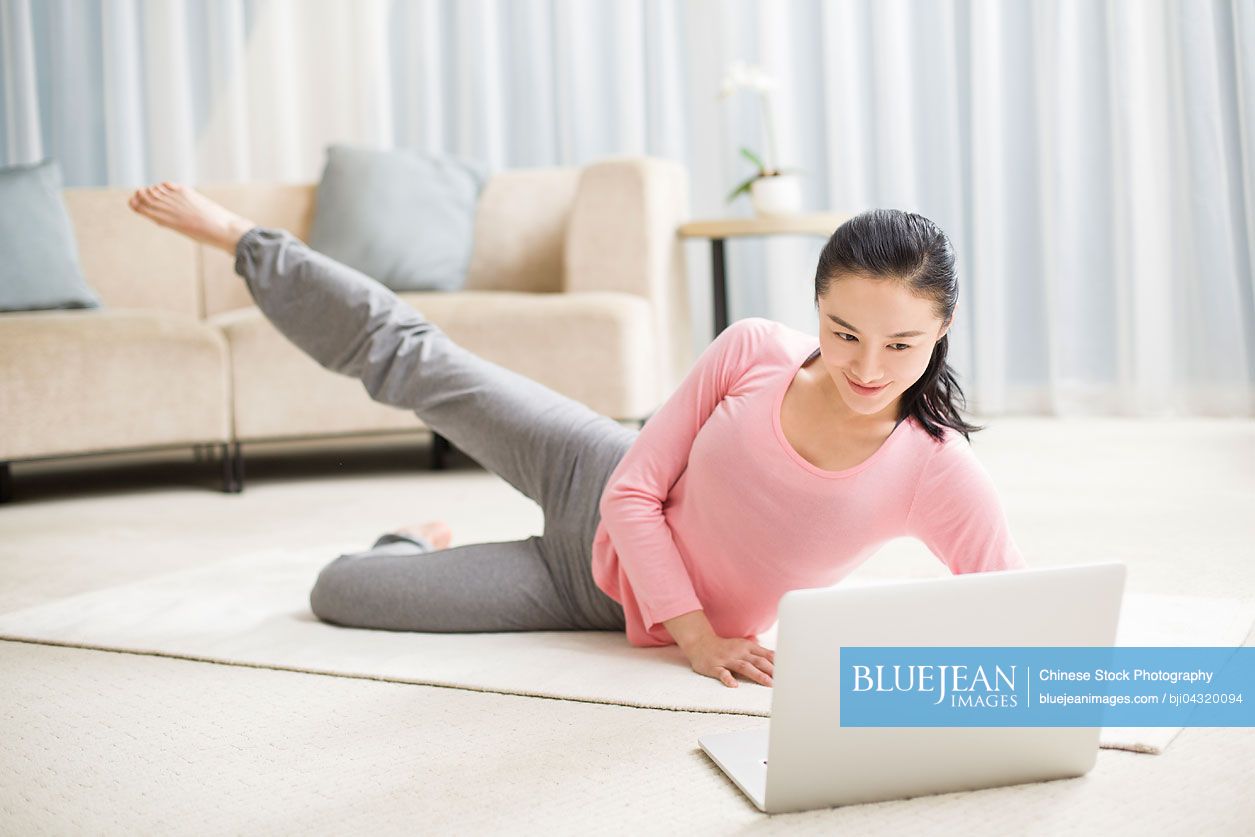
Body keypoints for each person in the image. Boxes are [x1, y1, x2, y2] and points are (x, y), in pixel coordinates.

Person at [128, 183, 1026, 691]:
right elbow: (633, 492)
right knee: (417, 359)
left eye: (900, 344)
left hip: (579, 588)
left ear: (941, 332)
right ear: (816, 310)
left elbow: (1016, 614)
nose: (866, 368)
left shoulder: (936, 471)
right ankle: (248, 241)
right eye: (843, 333)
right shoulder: (753, 349)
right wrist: (696, 638)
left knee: (337, 592)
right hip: (587, 467)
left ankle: (407, 541)